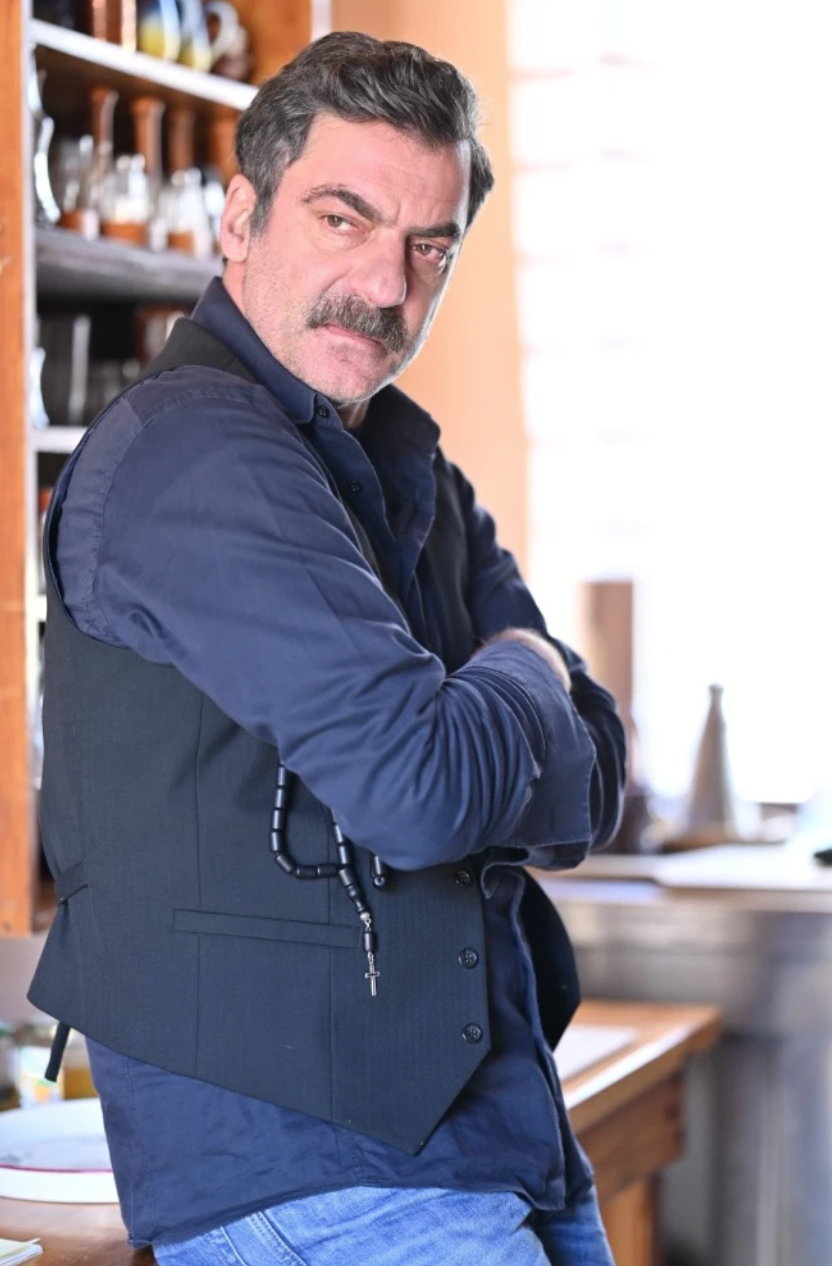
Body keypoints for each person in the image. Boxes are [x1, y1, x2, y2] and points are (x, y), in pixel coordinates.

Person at [30, 31, 626, 1266]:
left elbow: (597, 775)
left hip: (497, 1140)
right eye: (343, 218)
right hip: (311, 1181)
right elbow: (421, 788)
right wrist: (525, 666)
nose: (384, 283)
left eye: (428, 245)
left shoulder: (415, 468)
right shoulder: (192, 455)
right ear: (240, 217)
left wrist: (490, 721)